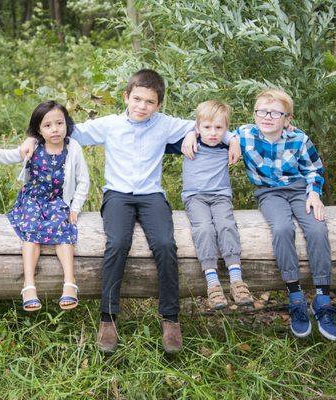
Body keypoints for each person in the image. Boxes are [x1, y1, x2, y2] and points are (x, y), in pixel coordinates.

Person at [21, 70, 241, 353]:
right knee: (117, 244)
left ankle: (170, 318)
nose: (142, 106)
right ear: (126, 97)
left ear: (158, 105)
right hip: (118, 195)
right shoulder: (111, 124)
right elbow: (65, 129)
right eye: (136, 99)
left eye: (150, 102)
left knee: (164, 244)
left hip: (152, 196)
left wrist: (233, 138)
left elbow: (210, 124)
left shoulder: (165, 124)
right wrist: (32, 138)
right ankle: (108, 318)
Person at [183, 88, 336, 341]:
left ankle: (322, 297)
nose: (267, 117)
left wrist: (314, 193)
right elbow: (215, 128)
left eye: (275, 113)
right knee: (281, 229)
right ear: (255, 115)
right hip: (269, 194)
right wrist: (192, 132)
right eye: (262, 112)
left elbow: (313, 168)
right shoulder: (244, 135)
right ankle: (295, 295)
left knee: (317, 227)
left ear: (287, 119)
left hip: (300, 191)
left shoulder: (298, 138)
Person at [0, 101, 90, 312]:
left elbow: (83, 181)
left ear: (66, 124)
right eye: (47, 125)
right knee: (31, 228)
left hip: (58, 200)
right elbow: (8, 156)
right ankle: (29, 286)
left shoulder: (73, 148)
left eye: (59, 123)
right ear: (38, 129)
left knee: (63, 228)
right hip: (32, 199)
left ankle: (70, 284)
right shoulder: (34, 147)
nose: (55, 129)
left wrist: (75, 208)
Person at [166, 100, 253, 310]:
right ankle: (213, 284)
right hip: (195, 197)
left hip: (220, 196)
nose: (213, 133)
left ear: (226, 128)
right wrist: (189, 133)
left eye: (219, 128)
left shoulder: (227, 142)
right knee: (203, 228)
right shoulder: (188, 143)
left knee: (226, 225)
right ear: (197, 127)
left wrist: (232, 139)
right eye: (207, 127)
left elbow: (252, 133)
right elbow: (157, 137)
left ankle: (236, 280)